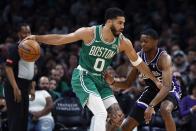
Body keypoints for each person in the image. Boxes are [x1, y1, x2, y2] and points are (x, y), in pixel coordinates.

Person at [26, 8, 162, 131]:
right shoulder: (90, 33)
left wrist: (155, 80)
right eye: (120, 23)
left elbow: (138, 63)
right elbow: (62, 38)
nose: (123, 26)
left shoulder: (123, 42)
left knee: (118, 117)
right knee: (101, 113)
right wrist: (37, 38)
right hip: (83, 76)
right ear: (109, 22)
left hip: (101, 80)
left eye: (124, 23)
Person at [104, 28, 181, 131]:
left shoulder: (164, 58)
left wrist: (151, 105)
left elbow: (166, 87)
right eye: (141, 41)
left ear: (155, 42)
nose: (143, 44)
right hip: (151, 90)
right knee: (126, 127)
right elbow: (127, 83)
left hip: (170, 89)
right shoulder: (138, 57)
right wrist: (112, 82)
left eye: (146, 41)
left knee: (165, 110)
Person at [4, 23, 35, 131]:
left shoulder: (32, 48)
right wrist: (15, 88)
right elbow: (8, 68)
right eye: (24, 32)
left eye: (29, 32)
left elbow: (30, 69)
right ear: (19, 34)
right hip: (14, 87)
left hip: (25, 88)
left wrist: (32, 87)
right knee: (15, 120)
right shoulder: (15, 48)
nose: (27, 34)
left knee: (24, 120)